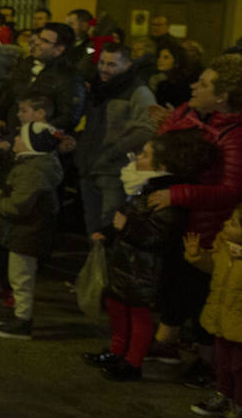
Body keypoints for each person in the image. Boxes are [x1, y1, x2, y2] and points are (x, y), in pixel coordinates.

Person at [85, 130, 216, 381]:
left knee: (138, 315)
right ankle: (117, 352)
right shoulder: (144, 186)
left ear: (163, 165)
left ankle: (133, 363)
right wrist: (109, 232)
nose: (137, 158)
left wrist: (126, 228)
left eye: (144, 155)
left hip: (146, 269)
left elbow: (160, 236)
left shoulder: (164, 196)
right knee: (117, 307)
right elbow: (129, 215)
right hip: (128, 263)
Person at [145, 55, 242, 367]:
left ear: (223, 95)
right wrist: (184, 114)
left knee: (201, 291)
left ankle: (207, 364)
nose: (193, 86)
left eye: (203, 84)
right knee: (178, 282)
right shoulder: (208, 118)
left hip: (213, 226)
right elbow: (167, 145)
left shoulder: (236, 135)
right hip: (193, 219)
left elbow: (232, 190)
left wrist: (177, 194)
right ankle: (168, 343)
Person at [0, 121, 64, 339]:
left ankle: (22, 322)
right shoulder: (32, 164)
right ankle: (18, 316)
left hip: (28, 232)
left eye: (20, 137)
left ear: (31, 144)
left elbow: (18, 206)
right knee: (19, 276)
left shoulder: (33, 172)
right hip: (26, 232)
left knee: (21, 278)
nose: (15, 140)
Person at [76, 43, 157, 235]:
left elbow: (146, 128)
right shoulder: (98, 88)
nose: (104, 68)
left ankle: (105, 264)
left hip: (114, 171)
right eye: (102, 62)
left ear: (127, 65)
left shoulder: (138, 92)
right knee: (93, 227)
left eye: (111, 65)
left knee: (109, 227)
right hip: (89, 167)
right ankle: (94, 264)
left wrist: (113, 152)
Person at [186, 205, 242, 418]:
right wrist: (197, 256)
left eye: (234, 224)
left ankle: (239, 406)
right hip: (221, 316)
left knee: (239, 367)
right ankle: (223, 395)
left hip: (239, 324)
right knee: (223, 363)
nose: (226, 225)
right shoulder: (224, 247)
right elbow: (213, 266)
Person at [0, 22, 86, 136]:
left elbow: (69, 117)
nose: (37, 42)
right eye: (39, 37)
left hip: (38, 141)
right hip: (9, 133)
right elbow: (7, 93)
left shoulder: (69, 76)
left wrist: (35, 130)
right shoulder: (26, 63)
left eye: (44, 41)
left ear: (59, 49)